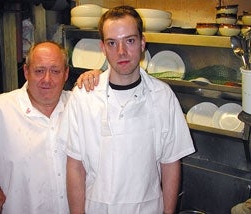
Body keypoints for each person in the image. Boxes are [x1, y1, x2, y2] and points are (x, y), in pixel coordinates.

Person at [59, 5, 196, 214]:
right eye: (112, 43)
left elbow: (170, 163)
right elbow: (75, 166)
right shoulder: (84, 97)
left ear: (142, 43)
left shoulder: (163, 96)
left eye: (129, 41)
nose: (121, 51)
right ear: (103, 48)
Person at [0, 41, 101, 214]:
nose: (47, 79)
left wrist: (100, 77)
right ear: (26, 71)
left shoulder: (79, 106)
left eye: (55, 71)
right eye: (39, 71)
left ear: (66, 73)